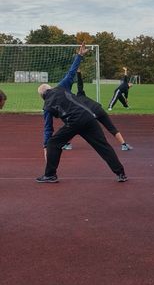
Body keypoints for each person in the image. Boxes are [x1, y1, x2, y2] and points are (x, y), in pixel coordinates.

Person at [36, 44, 127, 183]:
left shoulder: (46, 106)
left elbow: (48, 129)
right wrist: (80, 55)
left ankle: (50, 175)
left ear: (42, 96)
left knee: (54, 143)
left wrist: (46, 145)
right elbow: (71, 72)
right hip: (89, 117)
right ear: (50, 88)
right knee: (103, 146)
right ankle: (121, 173)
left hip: (73, 122)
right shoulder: (61, 86)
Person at [75, 69, 133, 151]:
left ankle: (66, 144)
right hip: (99, 109)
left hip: (91, 114)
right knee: (111, 128)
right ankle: (124, 144)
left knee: (75, 127)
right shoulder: (80, 93)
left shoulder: (74, 103)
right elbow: (80, 84)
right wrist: (79, 73)